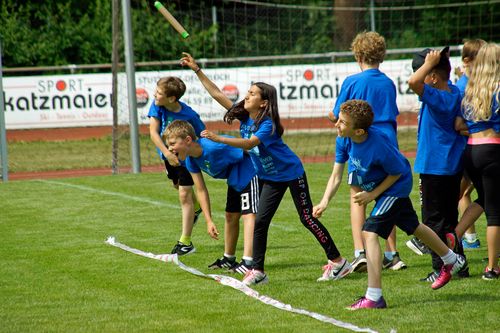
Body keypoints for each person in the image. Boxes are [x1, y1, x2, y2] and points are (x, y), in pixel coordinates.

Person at [180, 52, 351, 286]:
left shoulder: (267, 124)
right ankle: (257, 271)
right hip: (270, 176)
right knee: (260, 221)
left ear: (263, 102)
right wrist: (197, 70)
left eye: (252, 94)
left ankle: (338, 262)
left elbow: (250, 144)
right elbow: (218, 95)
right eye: (247, 92)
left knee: (307, 219)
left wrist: (219, 138)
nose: (246, 96)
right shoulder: (245, 117)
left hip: (291, 173)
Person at [314, 100, 466, 309]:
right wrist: (324, 202)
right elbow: (336, 175)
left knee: (369, 233)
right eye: (339, 120)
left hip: (396, 186)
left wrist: (371, 195)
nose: (336, 125)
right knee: (414, 227)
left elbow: (397, 172)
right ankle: (451, 259)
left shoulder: (379, 145)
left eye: (342, 122)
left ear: (358, 131)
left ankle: (374, 297)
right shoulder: (344, 139)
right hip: (382, 189)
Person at [328, 31, 405, 272]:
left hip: (362, 141)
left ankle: (360, 251)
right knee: (387, 195)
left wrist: (334, 119)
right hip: (388, 142)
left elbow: (336, 112)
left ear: (358, 55)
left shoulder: (352, 81)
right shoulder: (389, 83)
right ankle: (392, 254)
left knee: (357, 195)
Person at [164, 119, 260, 274]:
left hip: (250, 173)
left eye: (173, 144)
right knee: (230, 216)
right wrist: (209, 220)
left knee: (248, 215)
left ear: (188, 140)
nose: (170, 149)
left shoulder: (214, 147)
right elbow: (201, 190)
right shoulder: (190, 161)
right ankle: (228, 258)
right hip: (235, 178)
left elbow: (249, 150)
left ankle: (248, 262)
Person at [407, 47, 468, 282]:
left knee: (433, 222)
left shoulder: (440, 96)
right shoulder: (452, 91)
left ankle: (441, 268)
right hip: (450, 166)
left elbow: (413, 82)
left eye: (425, 72)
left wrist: (429, 64)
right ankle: (459, 264)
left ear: (432, 76)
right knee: (449, 219)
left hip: (435, 166)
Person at [456, 42, 500, 280]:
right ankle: (492, 268)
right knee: (495, 213)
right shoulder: (498, 88)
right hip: (493, 151)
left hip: (471, 152)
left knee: (483, 199)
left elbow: (459, 124)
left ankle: (454, 234)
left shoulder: (470, 89)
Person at [148, 76, 205, 256]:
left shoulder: (189, 116)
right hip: (168, 156)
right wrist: (166, 153)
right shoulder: (157, 105)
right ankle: (197, 208)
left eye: (159, 93)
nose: (155, 95)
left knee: (184, 194)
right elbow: (153, 132)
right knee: (177, 186)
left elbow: (201, 134)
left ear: (171, 98)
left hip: (185, 159)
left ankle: (185, 243)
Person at [454, 39, 486, 249]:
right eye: (481, 61)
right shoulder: (462, 88)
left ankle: (460, 236)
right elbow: (458, 125)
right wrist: (482, 130)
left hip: (479, 149)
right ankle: (459, 236)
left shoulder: (478, 84)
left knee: (478, 195)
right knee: (468, 194)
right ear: (467, 61)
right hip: (471, 149)